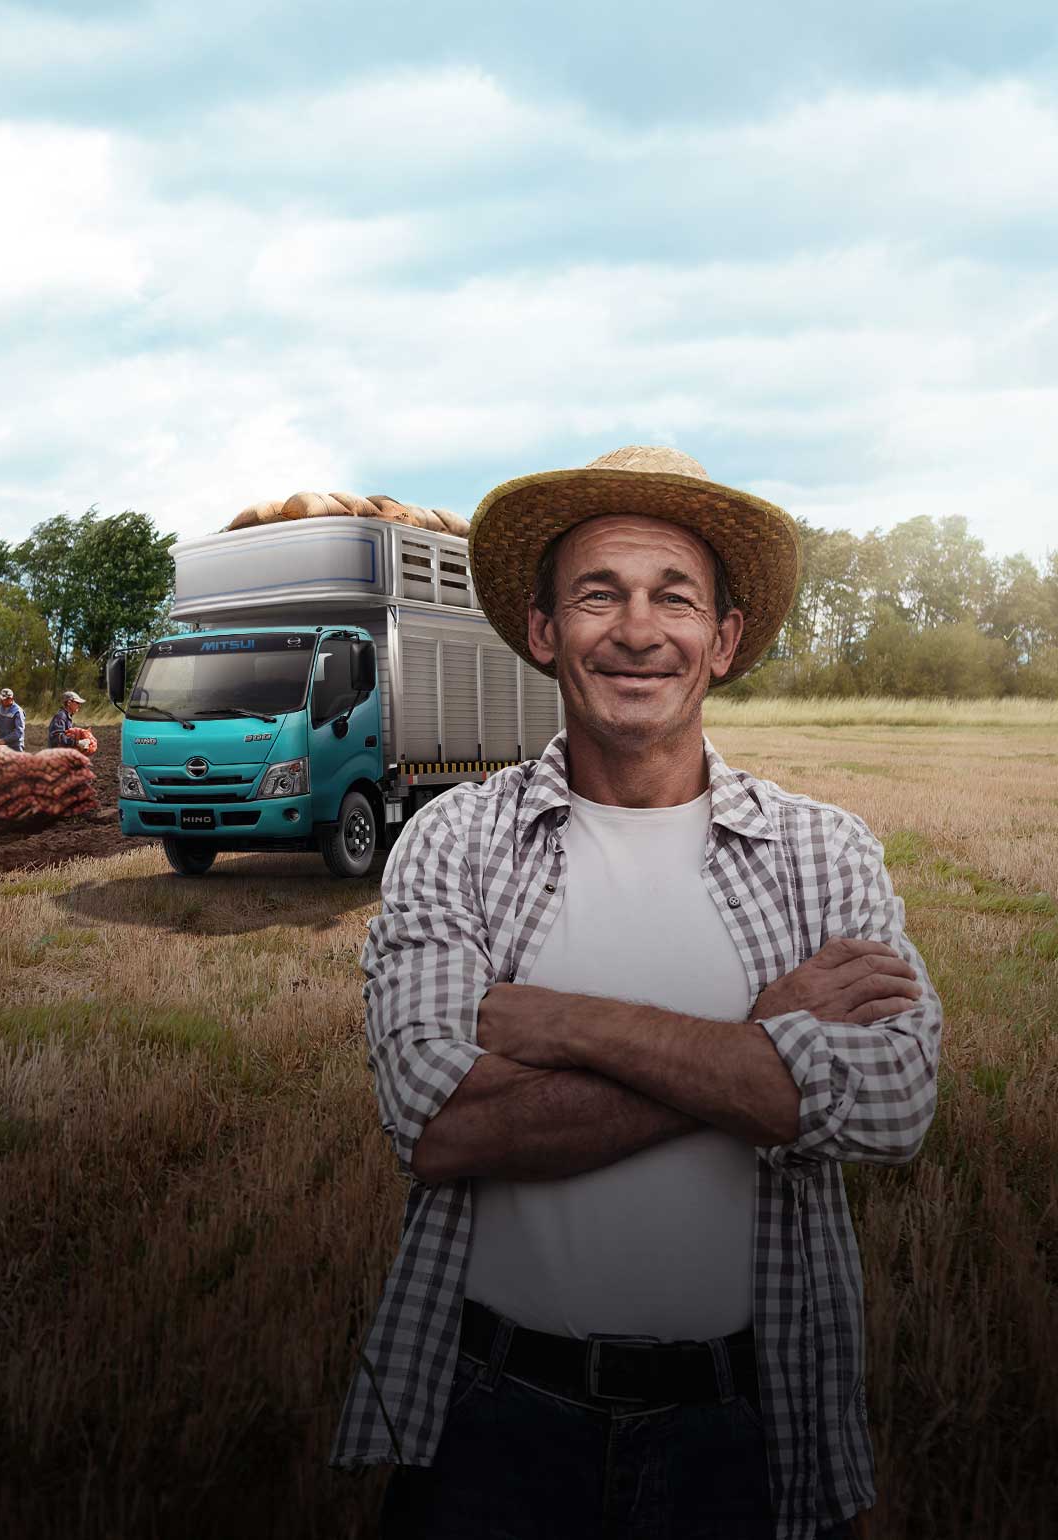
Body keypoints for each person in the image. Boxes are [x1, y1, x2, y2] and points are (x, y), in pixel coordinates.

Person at [330, 446, 943, 1540]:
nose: (637, 628)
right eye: (597, 592)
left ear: (725, 639)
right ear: (541, 631)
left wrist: (562, 1019)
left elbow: (895, 1106)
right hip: (490, 1420)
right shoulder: (453, 841)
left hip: (748, 1426)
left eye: (675, 596)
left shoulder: (823, 850)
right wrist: (759, 1051)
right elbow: (439, 1125)